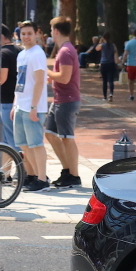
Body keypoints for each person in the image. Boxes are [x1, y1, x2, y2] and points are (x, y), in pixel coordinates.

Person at [44, 16, 82, 189]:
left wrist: (48, 72)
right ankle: (67, 169)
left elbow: (65, 78)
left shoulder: (66, 51)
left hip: (67, 100)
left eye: (52, 29)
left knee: (67, 137)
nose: (51, 33)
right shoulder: (64, 50)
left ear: (56, 31)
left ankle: (74, 175)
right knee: (50, 133)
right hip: (60, 99)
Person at [13, 21, 51, 192]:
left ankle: (42, 179)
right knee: (23, 144)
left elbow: (40, 81)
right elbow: (19, 82)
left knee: (36, 144)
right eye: (23, 34)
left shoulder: (37, 54)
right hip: (21, 105)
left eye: (29, 33)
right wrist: (15, 104)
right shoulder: (22, 54)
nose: (26, 37)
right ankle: (31, 175)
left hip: (33, 106)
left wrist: (34, 106)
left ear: (37, 34)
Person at [95, 32, 117, 101]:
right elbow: (116, 53)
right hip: (111, 63)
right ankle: (111, 94)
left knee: (104, 81)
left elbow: (96, 49)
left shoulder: (102, 45)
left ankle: (104, 96)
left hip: (104, 64)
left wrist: (100, 42)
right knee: (111, 80)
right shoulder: (113, 45)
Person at [123, 28, 136, 101]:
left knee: (130, 80)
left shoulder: (129, 43)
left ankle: (131, 95)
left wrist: (123, 62)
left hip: (130, 63)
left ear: (132, 34)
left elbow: (125, 54)